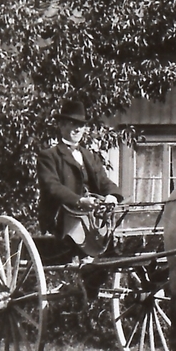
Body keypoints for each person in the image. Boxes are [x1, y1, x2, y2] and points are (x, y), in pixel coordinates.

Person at [37, 100, 122, 251]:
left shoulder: (90, 156)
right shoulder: (49, 156)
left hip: (91, 218)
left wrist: (112, 196)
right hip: (62, 217)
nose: (77, 129)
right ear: (62, 125)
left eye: (81, 125)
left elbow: (103, 181)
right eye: (72, 123)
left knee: (118, 226)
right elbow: (53, 187)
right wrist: (80, 200)